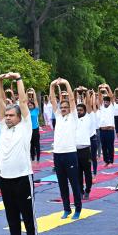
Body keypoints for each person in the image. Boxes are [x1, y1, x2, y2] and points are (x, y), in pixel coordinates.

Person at [0, 72, 38, 235]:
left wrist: (19, 79)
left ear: (20, 117)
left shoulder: (25, 126)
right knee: (11, 216)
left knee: (27, 216)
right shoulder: (4, 127)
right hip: (5, 178)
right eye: (6, 115)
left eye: (12, 115)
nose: (8, 118)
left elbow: (21, 101)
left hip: (22, 178)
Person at [50, 77, 82, 219]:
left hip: (70, 154)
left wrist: (66, 83)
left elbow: (72, 100)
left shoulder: (73, 116)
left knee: (74, 183)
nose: (63, 109)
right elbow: (52, 100)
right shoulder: (58, 116)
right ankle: (66, 208)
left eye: (65, 108)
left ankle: (78, 209)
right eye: (61, 108)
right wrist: (52, 85)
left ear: (70, 109)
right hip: (57, 154)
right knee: (62, 184)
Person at [75, 88, 94, 200]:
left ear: (84, 111)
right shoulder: (74, 119)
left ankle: (88, 190)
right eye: (77, 110)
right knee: (78, 173)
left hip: (86, 150)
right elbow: (72, 103)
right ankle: (80, 191)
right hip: (75, 150)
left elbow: (89, 105)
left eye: (80, 110)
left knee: (87, 172)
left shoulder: (88, 118)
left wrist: (86, 92)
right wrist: (75, 92)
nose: (78, 112)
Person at [97, 84, 115, 166]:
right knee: (104, 147)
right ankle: (106, 161)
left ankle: (111, 161)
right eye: (105, 101)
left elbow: (111, 96)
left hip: (110, 130)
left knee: (110, 147)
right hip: (102, 130)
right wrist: (99, 88)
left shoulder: (111, 106)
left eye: (107, 102)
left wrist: (108, 87)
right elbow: (100, 97)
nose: (105, 103)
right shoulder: (101, 106)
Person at [27, 88, 41, 162]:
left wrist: (33, 91)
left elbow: (35, 101)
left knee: (37, 144)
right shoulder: (27, 111)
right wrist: (26, 92)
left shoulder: (36, 110)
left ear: (33, 105)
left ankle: (38, 158)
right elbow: (25, 101)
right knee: (31, 145)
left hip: (35, 129)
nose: (29, 105)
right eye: (28, 105)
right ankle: (32, 158)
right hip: (29, 130)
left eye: (30, 105)